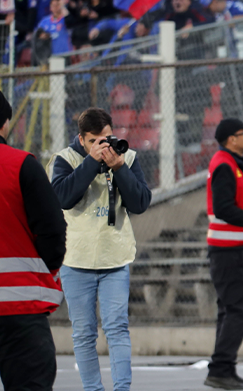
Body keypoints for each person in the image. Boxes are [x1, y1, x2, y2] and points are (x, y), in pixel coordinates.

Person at [49, 108, 151, 391]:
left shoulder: (127, 157)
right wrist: (92, 163)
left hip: (114, 258)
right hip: (76, 260)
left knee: (117, 328)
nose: (103, 145)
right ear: (82, 139)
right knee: (83, 333)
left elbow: (141, 202)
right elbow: (64, 197)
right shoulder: (64, 159)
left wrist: (118, 168)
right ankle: (92, 389)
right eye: (95, 141)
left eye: (107, 138)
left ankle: (122, 388)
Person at [0, 89, 67, 391]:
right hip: (20, 307)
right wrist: (44, 270)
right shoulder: (21, 165)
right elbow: (53, 230)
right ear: (4, 124)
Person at [205, 117, 243, 390]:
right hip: (229, 252)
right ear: (231, 139)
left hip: (231, 251)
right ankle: (220, 368)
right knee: (238, 310)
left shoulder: (230, 163)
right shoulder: (225, 165)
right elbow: (223, 206)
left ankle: (224, 369)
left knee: (229, 311)